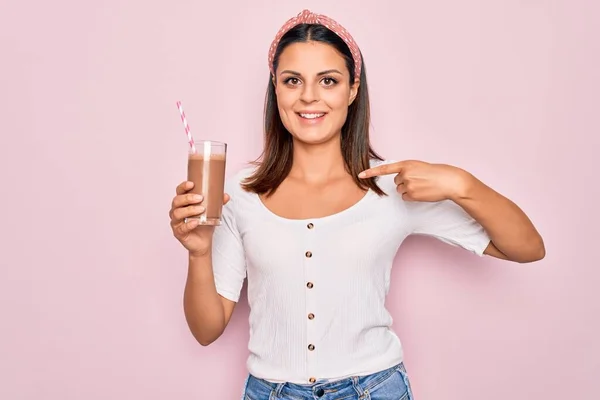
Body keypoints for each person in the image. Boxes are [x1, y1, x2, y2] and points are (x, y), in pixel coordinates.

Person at [168, 9, 545, 400]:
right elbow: (206, 330)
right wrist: (198, 252)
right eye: (292, 80)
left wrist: (460, 183)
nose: (309, 96)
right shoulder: (238, 195)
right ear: (276, 89)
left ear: (352, 89)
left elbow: (528, 248)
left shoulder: (393, 185)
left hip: (375, 389)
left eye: (328, 81)